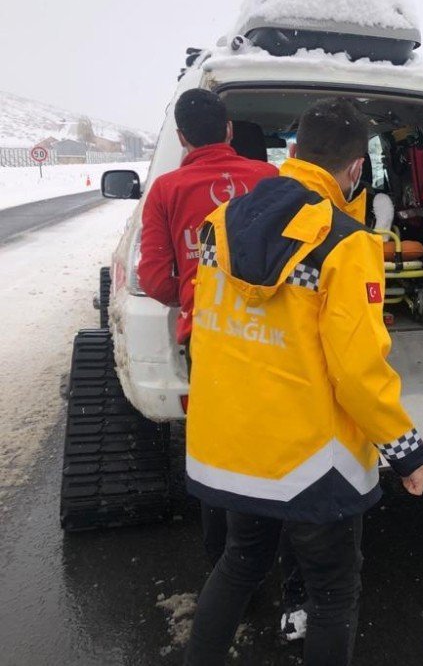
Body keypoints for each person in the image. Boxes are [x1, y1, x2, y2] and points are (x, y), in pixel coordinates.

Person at [183, 98, 423, 665]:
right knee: (331, 593)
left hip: (234, 447)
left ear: (293, 153)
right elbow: (358, 371)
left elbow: (212, 332)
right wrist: (405, 449)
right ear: (355, 170)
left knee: (240, 562)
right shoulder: (346, 244)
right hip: (312, 461)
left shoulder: (220, 224)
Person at [138, 89, 277, 564]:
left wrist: (196, 293)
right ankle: (278, 538)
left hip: (211, 337)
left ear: (181, 137)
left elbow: (154, 278)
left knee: (221, 447)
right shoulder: (269, 177)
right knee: (272, 435)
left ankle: (227, 557)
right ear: (230, 131)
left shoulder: (166, 190)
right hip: (273, 333)